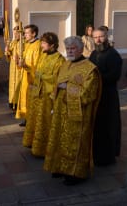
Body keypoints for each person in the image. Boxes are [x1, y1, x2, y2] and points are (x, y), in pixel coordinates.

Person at [44, 36, 101, 185]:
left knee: (74, 144)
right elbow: (56, 85)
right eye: (68, 48)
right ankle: (58, 167)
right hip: (60, 112)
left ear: (81, 49)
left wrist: (67, 87)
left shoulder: (90, 69)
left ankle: (75, 174)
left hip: (78, 115)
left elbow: (88, 94)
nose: (69, 51)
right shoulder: (65, 65)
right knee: (59, 139)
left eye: (73, 48)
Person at [22, 32, 65, 157]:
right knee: (35, 119)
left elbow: (57, 79)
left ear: (52, 45)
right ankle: (33, 144)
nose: (41, 45)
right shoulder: (43, 56)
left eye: (44, 43)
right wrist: (27, 67)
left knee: (45, 122)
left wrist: (42, 76)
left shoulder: (59, 60)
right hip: (37, 94)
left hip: (48, 96)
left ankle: (44, 148)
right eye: (41, 42)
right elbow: (37, 71)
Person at [90, 26, 123, 166]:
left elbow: (114, 76)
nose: (98, 40)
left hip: (108, 96)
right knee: (97, 126)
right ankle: (96, 154)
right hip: (95, 95)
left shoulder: (113, 55)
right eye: (95, 37)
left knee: (108, 126)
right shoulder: (93, 53)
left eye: (100, 37)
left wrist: (96, 79)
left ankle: (108, 157)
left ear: (106, 37)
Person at [14, 24, 42, 126]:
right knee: (25, 97)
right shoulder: (27, 44)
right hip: (25, 76)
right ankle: (26, 118)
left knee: (32, 99)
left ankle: (32, 120)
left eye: (26, 33)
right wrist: (18, 62)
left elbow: (38, 64)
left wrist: (26, 66)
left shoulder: (38, 46)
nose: (24, 35)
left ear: (33, 33)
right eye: (24, 33)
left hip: (33, 78)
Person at [5, 26, 24, 113]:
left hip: (19, 68)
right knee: (12, 85)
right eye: (14, 33)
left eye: (17, 33)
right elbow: (8, 55)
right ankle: (12, 103)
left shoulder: (24, 43)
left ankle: (18, 104)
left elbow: (24, 55)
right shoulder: (13, 42)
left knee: (18, 85)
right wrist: (7, 50)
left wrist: (19, 58)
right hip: (13, 68)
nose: (15, 35)